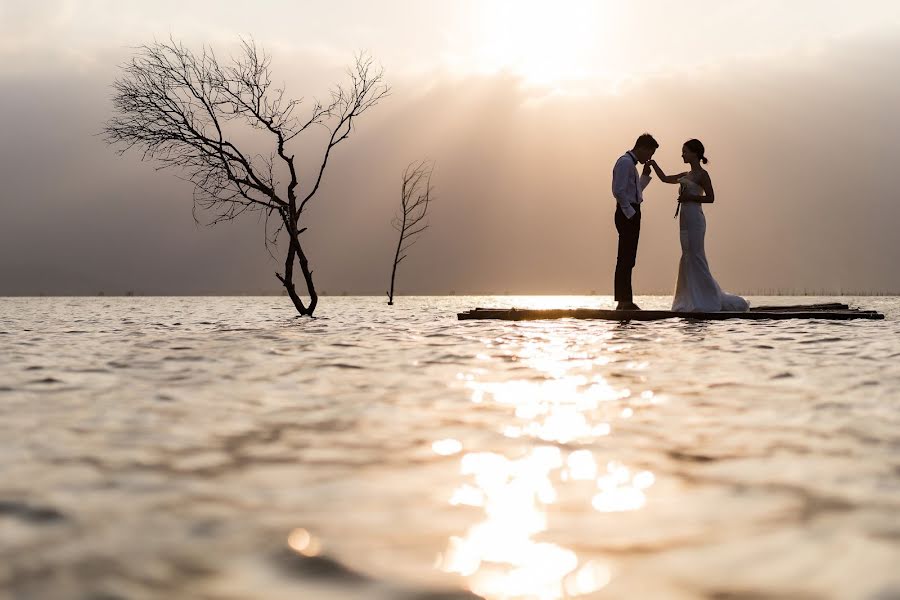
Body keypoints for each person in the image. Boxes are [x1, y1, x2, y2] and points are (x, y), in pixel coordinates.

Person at [649, 139, 749, 312]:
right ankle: (688, 299)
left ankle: (706, 298)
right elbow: (665, 178)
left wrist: (691, 198)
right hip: (684, 220)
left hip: (696, 218)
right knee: (686, 255)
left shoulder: (702, 175)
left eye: (685, 151)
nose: (682, 154)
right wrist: (653, 164)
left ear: (695, 153)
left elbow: (711, 198)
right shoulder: (685, 175)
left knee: (696, 255)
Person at [611, 133, 658, 310]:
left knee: (629, 257)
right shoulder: (624, 162)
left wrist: (645, 176)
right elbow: (619, 191)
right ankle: (623, 301)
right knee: (625, 257)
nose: (649, 158)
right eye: (650, 153)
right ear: (643, 148)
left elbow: (634, 191)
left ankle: (625, 300)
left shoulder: (631, 165)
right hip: (627, 212)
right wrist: (630, 213)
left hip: (631, 210)